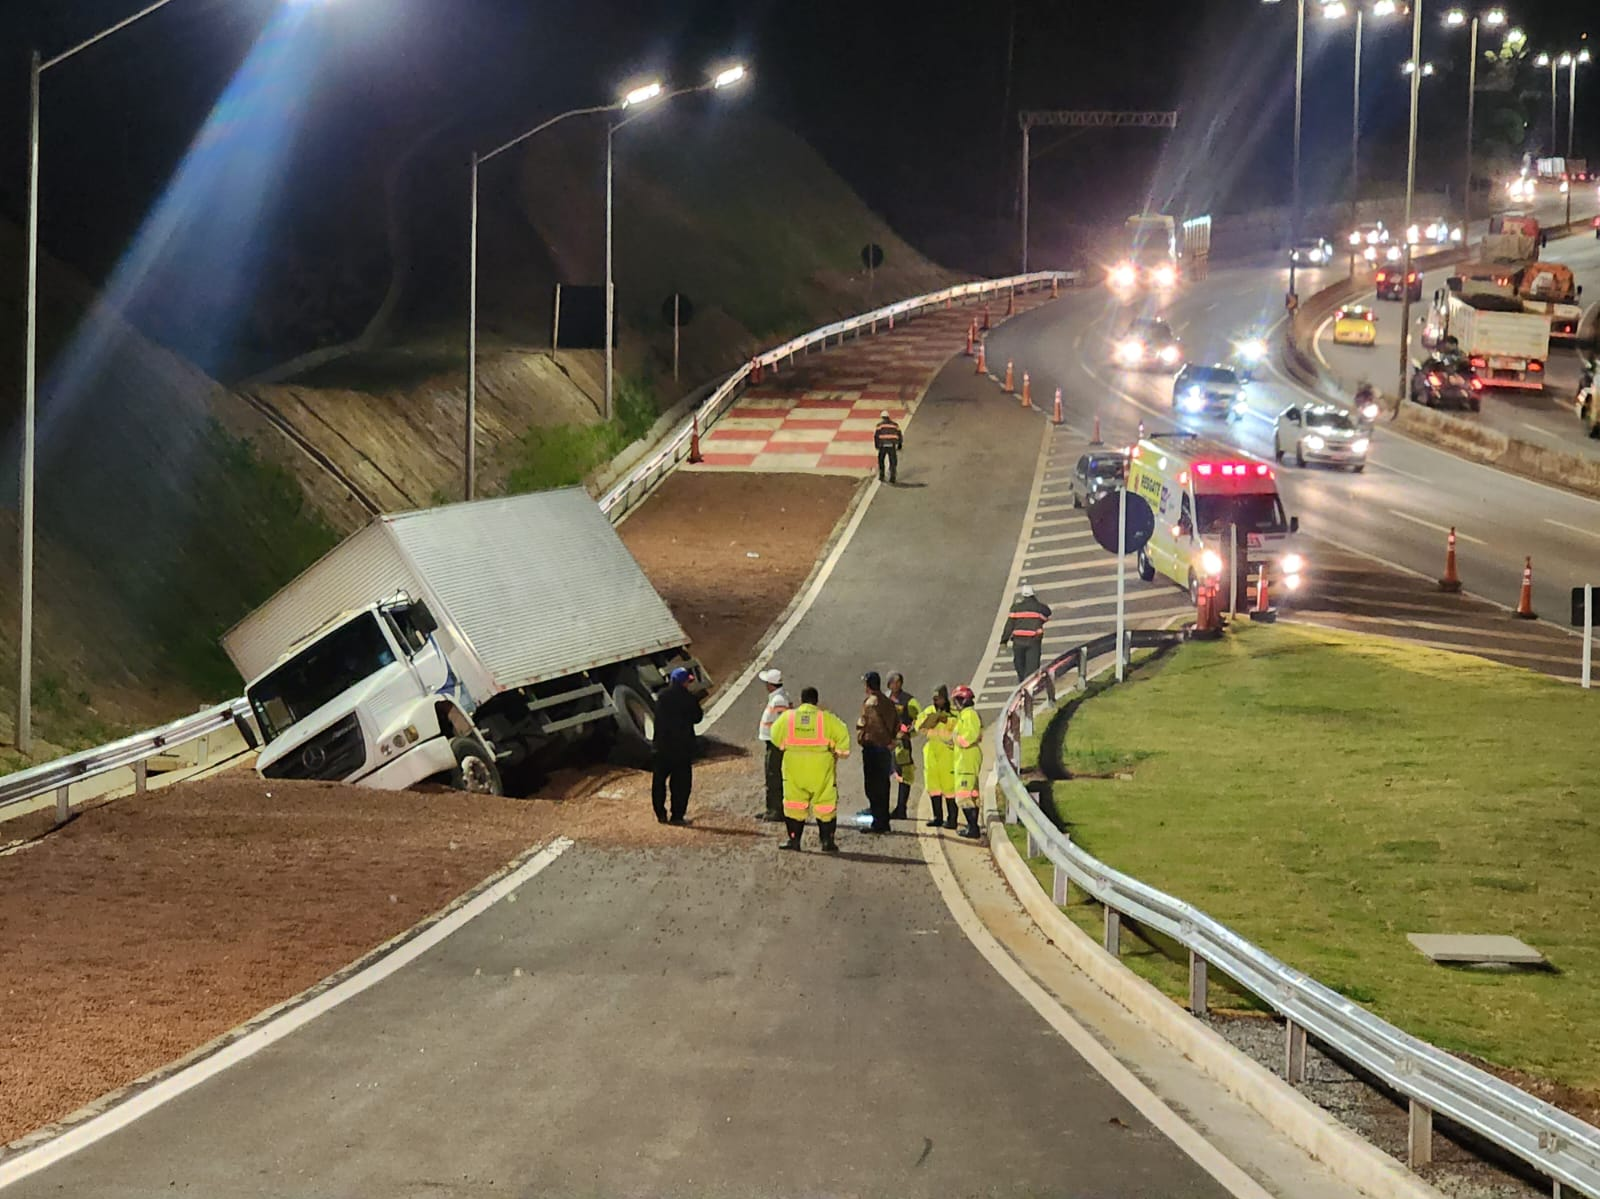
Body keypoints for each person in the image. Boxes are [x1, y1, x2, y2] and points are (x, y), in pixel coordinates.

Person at [769, 686, 851, 852]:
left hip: (794, 770)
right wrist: (835, 752)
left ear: (801, 700)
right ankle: (827, 842)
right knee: (825, 806)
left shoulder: (788, 718)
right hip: (821, 771)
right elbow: (844, 747)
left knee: (794, 806)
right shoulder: (827, 719)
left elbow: (775, 737)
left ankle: (794, 840)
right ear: (816, 701)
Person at [650, 667, 702, 825]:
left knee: (659, 781)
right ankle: (677, 816)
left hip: (662, 747)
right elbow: (697, 718)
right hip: (682, 748)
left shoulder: (662, 697)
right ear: (684, 682)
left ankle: (660, 813)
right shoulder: (689, 698)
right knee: (681, 783)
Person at [856, 670, 899, 833]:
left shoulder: (871, 703)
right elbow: (897, 723)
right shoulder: (888, 702)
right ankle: (883, 821)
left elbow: (875, 726)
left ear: (868, 685)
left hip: (874, 749)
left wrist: (885, 741)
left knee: (873, 787)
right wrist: (893, 740)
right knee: (883, 785)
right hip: (884, 750)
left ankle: (878, 823)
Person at [914, 685, 958, 830]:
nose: (936, 702)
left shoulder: (954, 713)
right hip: (932, 754)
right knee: (934, 788)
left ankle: (952, 819)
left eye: (939, 699)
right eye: (934, 699)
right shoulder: (929, 711)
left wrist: (947, 721)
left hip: (948, 754)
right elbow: (919, 725)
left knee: (950, 789)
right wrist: (930, 721)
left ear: (945, 699)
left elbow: (959, 726)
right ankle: (937, 817)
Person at [755, 667, 791, 822]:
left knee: (773, 775)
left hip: (775, 743)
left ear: (771, 684)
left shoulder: (779, 700)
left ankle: (775, 810)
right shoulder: (779, 698)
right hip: (774, 742)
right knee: (772, 775)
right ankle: (771, 808)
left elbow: (782, 723)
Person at [885, 672, 921, 820]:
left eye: (898, 682)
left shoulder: (909, 700)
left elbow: (920, 720)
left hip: (901, 745)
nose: (896, 685)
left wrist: (908, 733)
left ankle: (901, 808)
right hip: (886, 744)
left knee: (904, 776)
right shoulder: (884, 699)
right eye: (893, 682)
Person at [951, 684, 985, 839]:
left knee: (963, 796)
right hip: (966, 759)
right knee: (971, 794)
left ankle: (973, 828)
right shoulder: (966, 715)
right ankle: (973, 826)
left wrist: (956, 740)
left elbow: (969, 737)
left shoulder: (969, 715)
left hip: (967, 760)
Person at [1000, 582, 1052, 683]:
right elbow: (1048, 614)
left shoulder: (1016, 608)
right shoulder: (1040, 608)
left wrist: (1004, 641)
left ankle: (1022, 686)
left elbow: (1009, 625)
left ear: (1023, 595)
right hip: (1033, 641)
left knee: (1020, 666)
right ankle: (1030, 688)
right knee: (1032, 668)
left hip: (1018, 641)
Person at [873, 411, 904, 484]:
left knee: (881, 460)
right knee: (893, 461)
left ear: (882, 417)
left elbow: (876, 436)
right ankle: (892, 477)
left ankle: (881, 476)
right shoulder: (895, 425)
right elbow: (899, 435)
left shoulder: (879, 425)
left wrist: (877, 445)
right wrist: (899, 445)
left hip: (882, 445)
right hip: (892, 445)